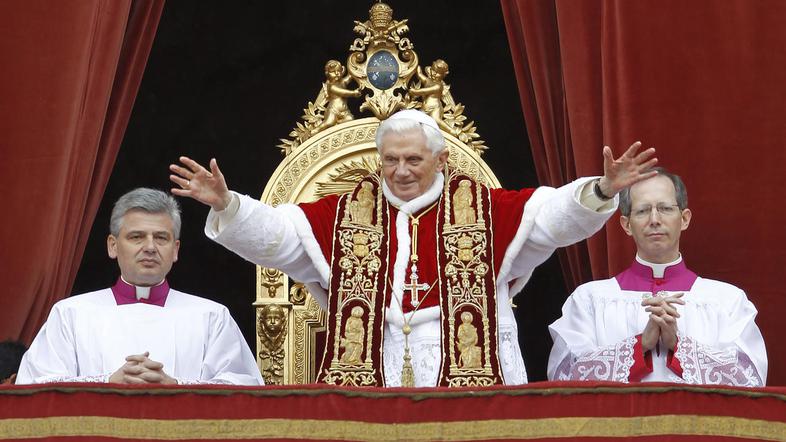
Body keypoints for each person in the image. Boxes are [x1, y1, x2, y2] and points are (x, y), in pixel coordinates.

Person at [170, 109, 656, 387]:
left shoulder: (490, 210)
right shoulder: (342, 215)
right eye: (391, 160)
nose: (401, 171)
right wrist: (229, 205)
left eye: (413, 160)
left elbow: (552, 216)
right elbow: (277, 235)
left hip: (470, 380)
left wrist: (601, 191)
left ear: (441, 159)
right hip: (372, 376)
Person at [16, 188, 263, 385]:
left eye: (161, 237)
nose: (150, 247)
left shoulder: (211, 316)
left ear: (175, 250)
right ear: (113, 246)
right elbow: (37, 389)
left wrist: (175, 386)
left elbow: (242, 391)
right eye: (136, 236)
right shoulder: (70, 314)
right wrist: (107, 382)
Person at [548, 168, 767, 386]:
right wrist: (640, 345)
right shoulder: (588, 300)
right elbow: (565, 378)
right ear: (626, 224)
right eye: (642, 211)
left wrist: (679, 345)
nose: (654, 219)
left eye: (665, 208)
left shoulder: (727, 301)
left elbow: (750, 382)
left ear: (684, 219)